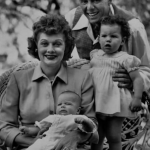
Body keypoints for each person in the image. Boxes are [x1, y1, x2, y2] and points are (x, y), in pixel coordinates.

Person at [0, 13, 98, 150]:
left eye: (57, 44)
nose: (50, 50)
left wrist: (75, 136)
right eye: (44, 43)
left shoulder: (83, 78)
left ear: (67, 47)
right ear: (36, 46)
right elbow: (4, 126)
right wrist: (35, 143)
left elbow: (92, 124)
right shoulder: (18, 79)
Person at [65, 0, 150, 92]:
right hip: (85, 97)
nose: (89, 7)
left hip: (119, 99)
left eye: (95, 1)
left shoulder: (133, 27)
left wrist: (133, 81)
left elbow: (146, 69)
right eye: (84, 1)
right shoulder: (73, 18)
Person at [88, 15, 145, 150]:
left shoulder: (125, 59)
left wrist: (137, 98)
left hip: (117, 104)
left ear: (122, 41)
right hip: (97, 102)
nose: (108, 39)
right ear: (98, 38)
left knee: (113, 135)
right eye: (104, 36)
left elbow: (137, 78)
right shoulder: (94, 55)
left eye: (113, 36)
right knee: (96, 136)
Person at [19, 91, 97, 150]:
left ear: (78, 110)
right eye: (59, 104)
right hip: (44, 141)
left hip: (63, 142)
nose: (62, 106)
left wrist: (84, 122)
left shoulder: (78, 117)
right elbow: (39, 128)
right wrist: (28, 130)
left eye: (67, 104)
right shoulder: (52, 117)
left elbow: (90, 130)